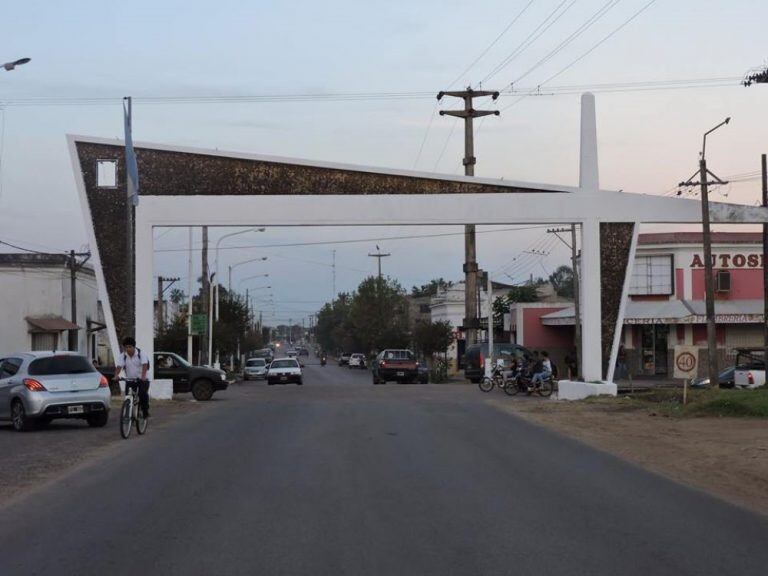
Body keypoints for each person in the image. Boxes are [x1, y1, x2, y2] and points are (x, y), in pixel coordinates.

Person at [113, 336, 151, 418]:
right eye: (126, 347)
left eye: (130, 347)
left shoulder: (141, 354)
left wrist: (143, 377)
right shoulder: (123, 356)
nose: (128, 349)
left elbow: (145, 365)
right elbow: (119, 367)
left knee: (142, 394)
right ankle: (129, 414)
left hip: (142, 379)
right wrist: (116, 376)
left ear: (134, 347)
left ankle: (145, 411)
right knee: (128, 396)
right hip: (130, 379)